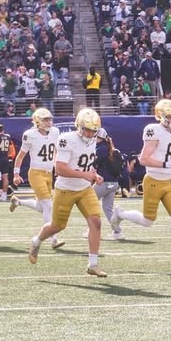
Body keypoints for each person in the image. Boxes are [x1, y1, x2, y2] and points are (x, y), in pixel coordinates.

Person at [111, 97, 171, 271]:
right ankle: (121, 214)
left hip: (168, 181)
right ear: (161, 116)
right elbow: (143, 159)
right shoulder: (153, 130)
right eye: (170, 116)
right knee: (147, 221)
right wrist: (165, 164)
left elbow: (170, 153)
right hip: (153, 180)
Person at [27, 107, 107, 278]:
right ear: (79, 126)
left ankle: (93, 264)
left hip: (85, 189)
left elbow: (86, 164)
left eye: (93, 131)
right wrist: (85, 175)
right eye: (87, 129)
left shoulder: (92, 141)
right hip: (65, 189)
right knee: (57, 226)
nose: (90, 134)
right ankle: (37, 241)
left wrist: (94, 174)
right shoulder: (66, 139)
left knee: (96, 222)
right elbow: (60, 169)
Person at [9, 108, 64, 250]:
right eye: (46, 119)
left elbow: (56, 151)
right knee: (48, 206)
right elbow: (20, 156)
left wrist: (57, 166)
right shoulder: (30, 135)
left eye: (50, 119)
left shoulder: (55, 132)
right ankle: (53, 239)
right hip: (36, 173)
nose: (49, 122)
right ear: (38, 121)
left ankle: (18, 202)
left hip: (48, 173)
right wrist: (16, 174)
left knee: (41, 206)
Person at [93, 128, 126, 238]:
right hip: (113, 184)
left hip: (104, 182)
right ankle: (118, 232)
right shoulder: (109, 148)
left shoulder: (100, 149)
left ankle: (93, 230)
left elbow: (92, 164)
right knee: (107, 208)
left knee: (88, 203)